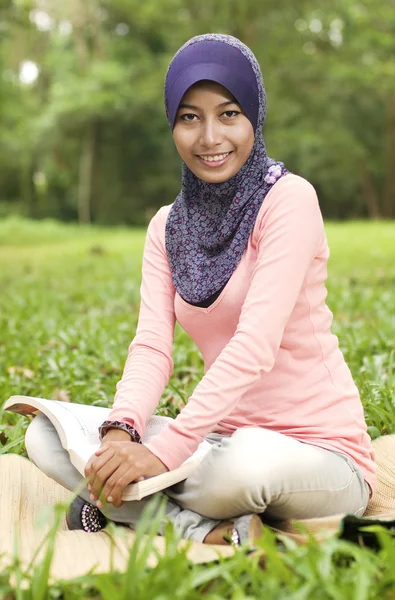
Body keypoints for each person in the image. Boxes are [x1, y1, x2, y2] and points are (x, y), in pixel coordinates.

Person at [25, 33, 376, 547]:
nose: (210, 136)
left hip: (317, 454)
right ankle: (218, 530)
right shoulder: (166, 228)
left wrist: (163, 454)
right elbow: (151, 347)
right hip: (216, 440)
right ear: (173, 125)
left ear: (254, 115)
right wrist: (121, 432)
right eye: (190, 117)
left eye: (228, 113)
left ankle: (133, 508)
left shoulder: (288, 201)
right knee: (46, 437)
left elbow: (255, 344)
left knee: (246, 466)